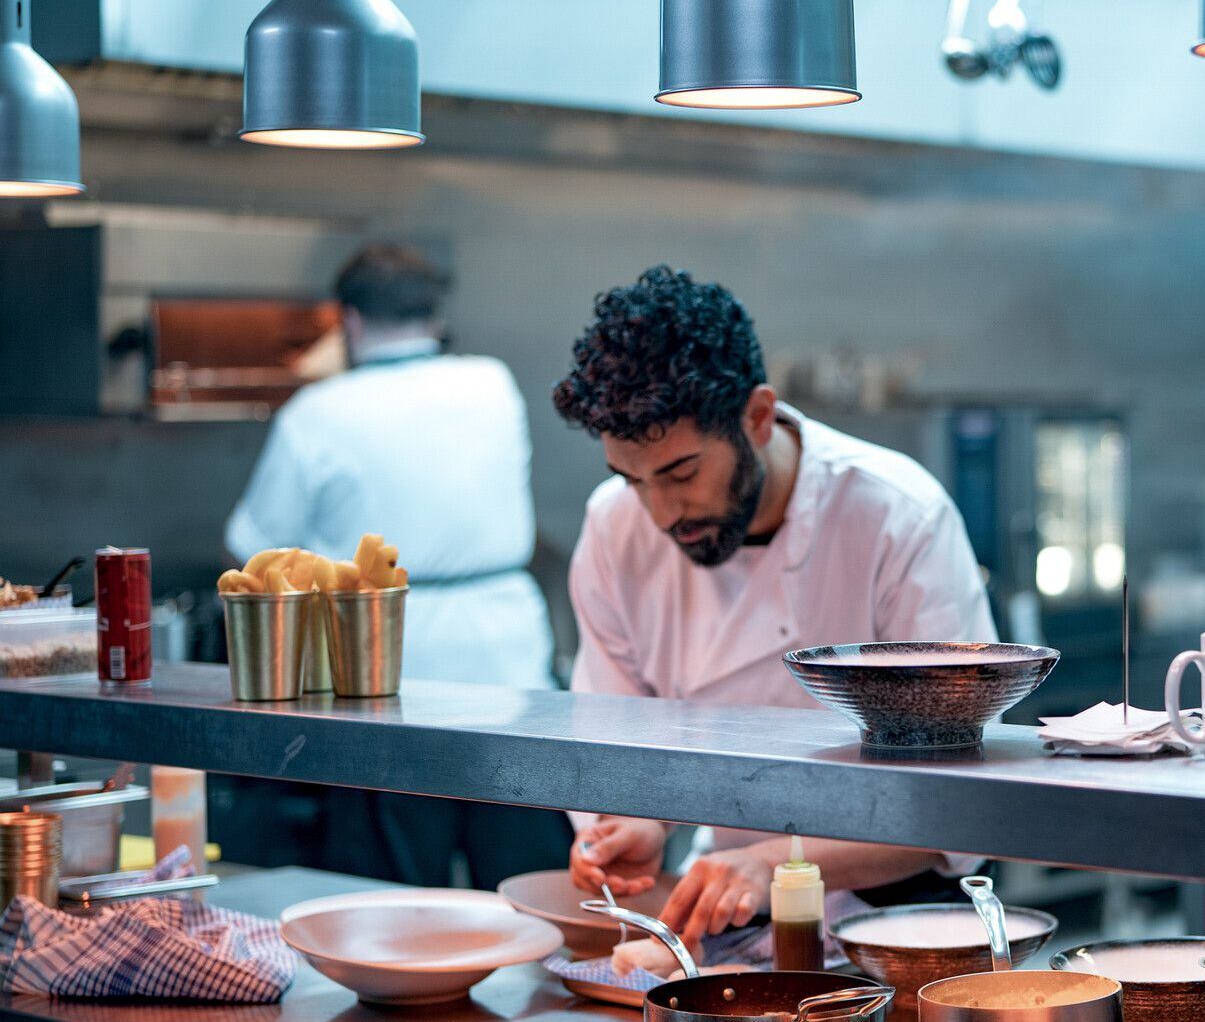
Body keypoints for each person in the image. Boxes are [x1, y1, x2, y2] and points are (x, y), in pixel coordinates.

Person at [552, 266, 996, 953]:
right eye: (632, 479)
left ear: (757, 417)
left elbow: (955, 801)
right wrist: (640, 824)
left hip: (905, 925)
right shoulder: (614, 529)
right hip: (730, 915)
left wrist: (777, 860)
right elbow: (618, 734)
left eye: (681, 473)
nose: (661, 512)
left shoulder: (896, 517)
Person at [226, 243, 565, 887]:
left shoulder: (319, 411)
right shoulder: (492, 383)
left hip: (384, 677)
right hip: (512, 669)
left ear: (348, 321)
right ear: (434, 316)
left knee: (394, 901)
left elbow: (250, 549)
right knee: (532, 887)